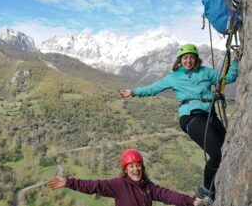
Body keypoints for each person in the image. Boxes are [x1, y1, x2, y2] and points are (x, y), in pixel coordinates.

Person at [120, 44, 239, 200]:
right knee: (216, 153)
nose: (188, 61)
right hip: (190, 117)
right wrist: (134, 92)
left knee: (228, 147)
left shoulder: (206, 72)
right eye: (185, 58)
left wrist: (235, 62)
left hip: (209, 115)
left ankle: (215, 184)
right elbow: (153, 88)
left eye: (191, 57)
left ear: (196, 59)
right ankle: (207, 190)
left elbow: (227, 78)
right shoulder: (174, 76)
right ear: (180, 60)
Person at [47, 149, 208, 206]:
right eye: (131, 166)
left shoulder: (148, 187)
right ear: (126, 169)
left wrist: (191, 201)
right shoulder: (118, 185)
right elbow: (93, 186)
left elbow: (168, 195)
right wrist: (68, 182)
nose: (135, 169)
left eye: (138, 165)